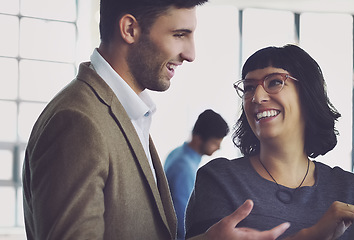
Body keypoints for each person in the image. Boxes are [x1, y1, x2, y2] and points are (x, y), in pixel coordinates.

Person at [21, 0, 293, 239]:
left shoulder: (127, 113)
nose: (190, 53)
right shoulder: (77, 122)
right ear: (129, 29)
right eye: (179, 34)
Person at [186, 44, 354, 240]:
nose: (257, 97)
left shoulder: (351, 190)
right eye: (249, 88)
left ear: (307, 94)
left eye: (273, 82)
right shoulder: (220, 179)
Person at [164, 109, 229, 240]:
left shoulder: (177, 153)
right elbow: (182, 222)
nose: (218, 147)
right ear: (198, 138)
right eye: (215, 143)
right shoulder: (184, 168)